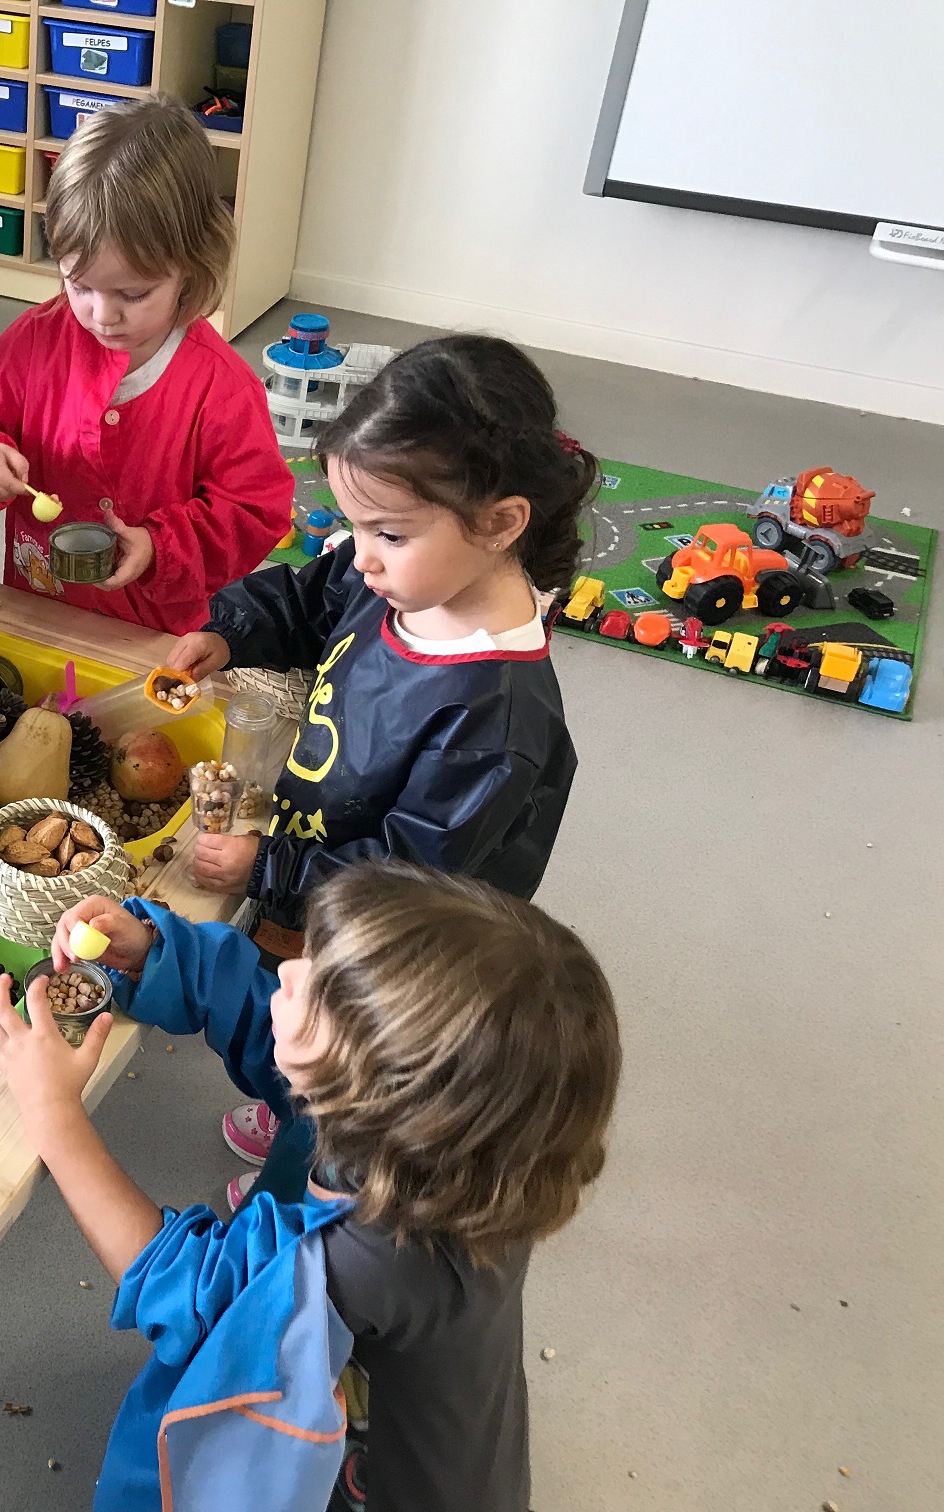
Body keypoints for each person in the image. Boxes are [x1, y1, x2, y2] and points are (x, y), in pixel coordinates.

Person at [0, 867, 620, 1512]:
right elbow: (279, 1034)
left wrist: (55, 1116)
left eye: (316, 984)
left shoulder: (370, 1263)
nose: (287, 972)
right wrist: (158, 953)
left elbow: (199, 1300)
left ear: (371, 1088)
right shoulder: (462, 1148)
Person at [165, 334, 595, 1183]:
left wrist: (268, 866)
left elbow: (402, 887)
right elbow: (307, 598)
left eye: (387, 531)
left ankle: (302, 1180)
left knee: (346, 1061)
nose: (359, 554)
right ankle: (291, 1101)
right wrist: (231, 631)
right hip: (317, 866)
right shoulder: (402, 578)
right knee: (298, 1017)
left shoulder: (493, 717)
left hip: (395, 945)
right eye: (355, 525)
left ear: (501, 522)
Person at [0, 95, 291, 636]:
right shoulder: (38, 340)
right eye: (79, 285)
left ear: (191, 266)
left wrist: (161, 546)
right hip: (37, 608)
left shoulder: (221, 388)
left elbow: (255, 509)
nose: (102, 314)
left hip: (153, 633)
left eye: (133, 293)